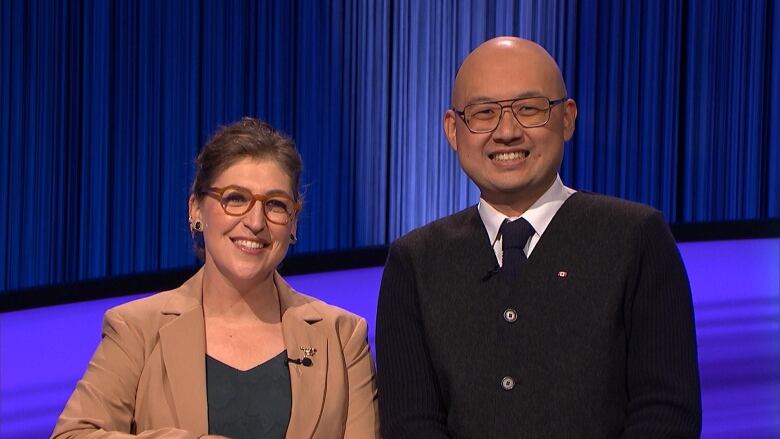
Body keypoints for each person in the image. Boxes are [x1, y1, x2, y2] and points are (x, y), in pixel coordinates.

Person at [376, 37, 701, 438]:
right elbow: (410, 424)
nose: (507, 132)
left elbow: (666, 413)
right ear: (453, 130)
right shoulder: (415, 262)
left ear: (566, 118)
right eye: (484, 113)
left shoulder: (636, 239)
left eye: (529, 109)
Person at [52, 118, 380, 439]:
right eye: (235, 198)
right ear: (196, 209)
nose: (255, 222)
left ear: (293, 222)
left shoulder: (341, 338)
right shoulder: (138, 329)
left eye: (276, 205)